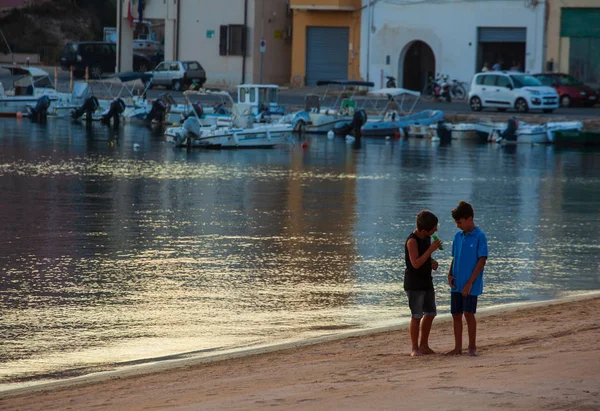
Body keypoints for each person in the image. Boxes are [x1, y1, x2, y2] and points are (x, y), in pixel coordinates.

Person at [445, 201, 488, 357]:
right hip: (457, 283)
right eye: (456, 222)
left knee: (468, 313)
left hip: (471, 284)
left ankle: (472, 346)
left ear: (469, 219)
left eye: (460, 222)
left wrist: (470, 282)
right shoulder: (457, 236)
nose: (458, 225)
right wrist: (449, 274)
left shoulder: (480, 236)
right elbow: (454, 257)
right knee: (455, 314)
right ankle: (457, 347)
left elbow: (482, 260)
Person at [404, 210, 442, 357]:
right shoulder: (412, 241)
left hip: (427, 280)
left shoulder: (426, 238)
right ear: (425, 230)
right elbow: (415, 263)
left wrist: (432, 261)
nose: (436, 231)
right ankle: (415, 348)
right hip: (414, 283)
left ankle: (424, 345)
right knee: (416, 315)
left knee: (431, 312)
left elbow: (425, 258)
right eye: (434, 229)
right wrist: (431, 249)